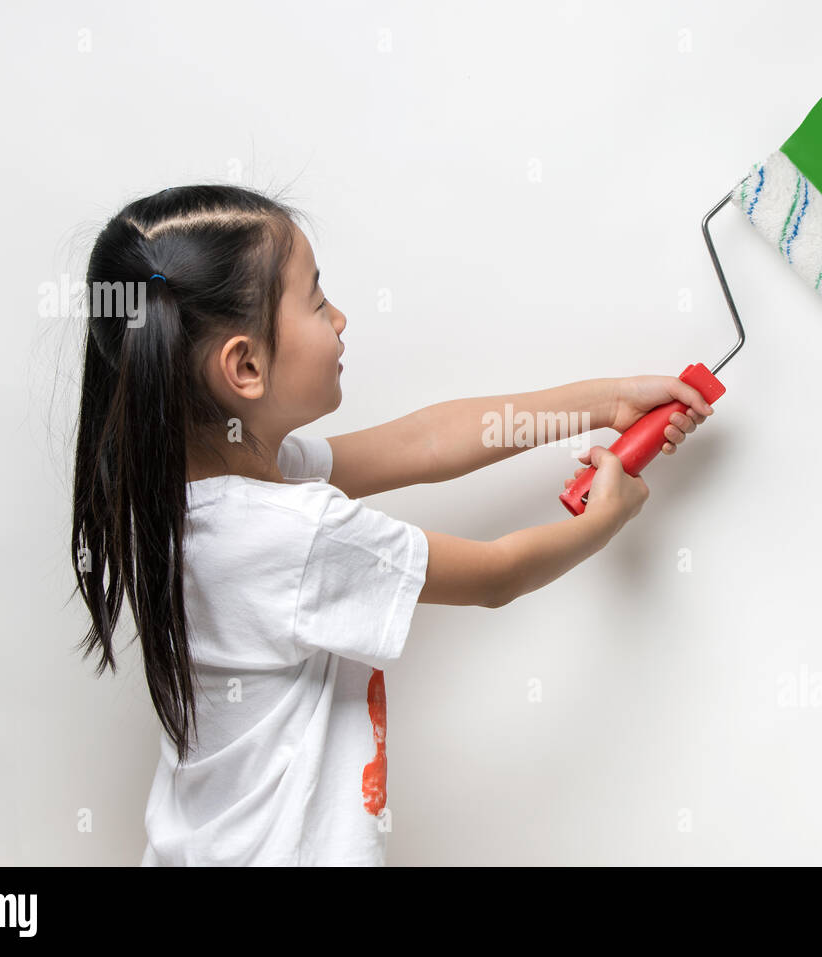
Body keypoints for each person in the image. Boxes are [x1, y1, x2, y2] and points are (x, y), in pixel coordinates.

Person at [69, 184, 713, 865]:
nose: (340, 318)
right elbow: (496, 575)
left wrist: (607, 401)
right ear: (246, 365)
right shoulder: (293, 534)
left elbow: (423, 442)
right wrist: (602, 521)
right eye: (317, 300)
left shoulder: (181, 490)